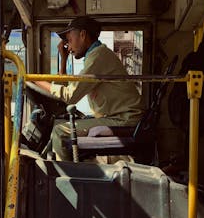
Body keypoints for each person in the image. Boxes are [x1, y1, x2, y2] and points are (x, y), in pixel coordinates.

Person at [32, 15, 145, 160]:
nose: (68, 46)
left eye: (69, 40)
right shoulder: (96, 55)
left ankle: (65, 179)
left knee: (60, 132)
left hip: (124, 119)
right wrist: (64, 60)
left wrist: (34, 80)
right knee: (59, 123)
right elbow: (69, 90)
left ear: (83, 35)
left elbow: (69, 96)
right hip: (116, 117)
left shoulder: (99, 56)